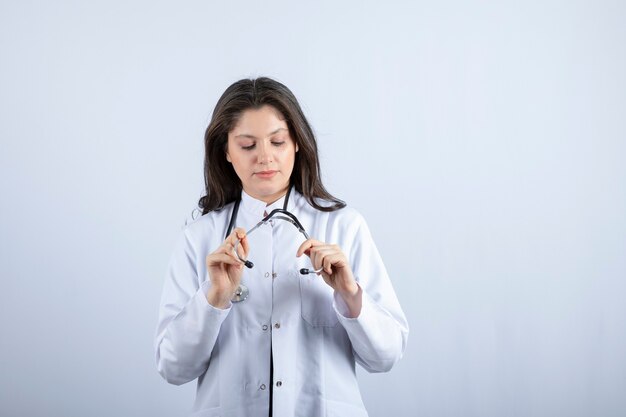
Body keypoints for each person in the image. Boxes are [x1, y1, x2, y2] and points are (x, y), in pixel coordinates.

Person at [155, 77, 408, 417]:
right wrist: (213, 298)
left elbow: (385, 357)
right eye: (247, 145)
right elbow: (173, 368)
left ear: (297, 144)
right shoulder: (200, 238)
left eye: (278, 141)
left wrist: (349, 294)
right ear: (226, 152)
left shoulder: (343, 226)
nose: (265, 157)